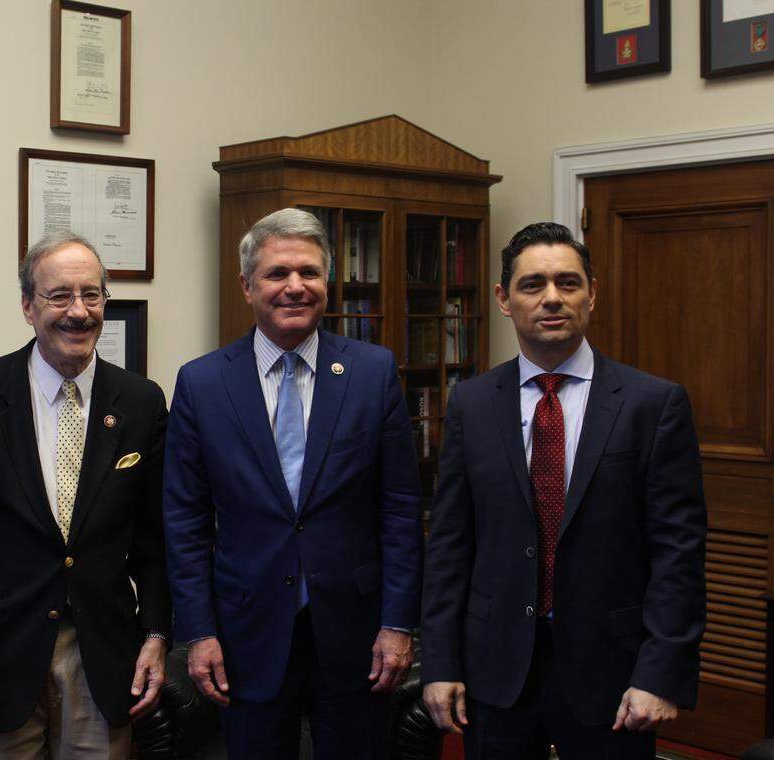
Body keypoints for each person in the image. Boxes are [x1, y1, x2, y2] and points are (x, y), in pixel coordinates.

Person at [421, 222, 707, 759]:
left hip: (613, 672)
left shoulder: (652, 404)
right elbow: (450, 547)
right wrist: (440, 662)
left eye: (568, 283)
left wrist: (661, 673)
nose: (551, 298)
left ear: (591, 293)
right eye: (532, 285)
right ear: (504, 299)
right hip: (496, 667)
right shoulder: (471, 404)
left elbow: (679, 554)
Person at [163, 208, 423, 760]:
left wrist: (399, 623)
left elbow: (400, 508)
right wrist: (199, 633)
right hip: (246, 631)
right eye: (277, 273)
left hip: (357, 633)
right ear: (246, 285)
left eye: (309, 272)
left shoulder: (372, 373)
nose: (295, 286)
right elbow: (185, 521)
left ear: (327, 281)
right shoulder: (202, 383)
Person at [0, 231, 170, 759]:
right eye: (59, 296)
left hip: (103, 655)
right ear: (27, 306)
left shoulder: (141, 402)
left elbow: (155, 535)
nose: (78, 312)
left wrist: (157, 632)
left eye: (92, 295)